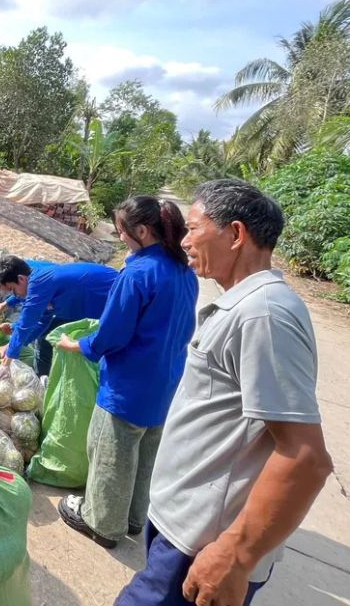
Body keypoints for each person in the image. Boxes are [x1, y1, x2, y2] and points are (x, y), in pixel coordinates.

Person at [116, 179, 332, 606]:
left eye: (193, 228)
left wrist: (235, 553)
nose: (183, 240)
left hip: (202, 540)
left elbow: (305, 459)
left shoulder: (264, 315)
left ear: (236, 234)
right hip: (188, 525)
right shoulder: (244, 304)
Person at [54, 196, 199, 549]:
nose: (119, 238)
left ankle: (102, 524)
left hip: (129, 385)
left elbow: (112, 334)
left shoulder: (137, 274)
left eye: (121, 231)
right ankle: (134, 519)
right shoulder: (183, 270)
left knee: (111, 455)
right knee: (145, 455)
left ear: (143, 231)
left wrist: (79, 345)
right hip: (164, 383)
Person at [0, 256, 118, 376]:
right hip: (87, 300)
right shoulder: (30, 276)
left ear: (21, 279)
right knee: (47, 336)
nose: (14, 295)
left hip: (109, 295)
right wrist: (14, 339)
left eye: (12, 290)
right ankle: (42, 377)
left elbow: (27, 322)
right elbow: (40, 320)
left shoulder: (38, 284)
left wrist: (7, 362)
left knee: (109, 347)